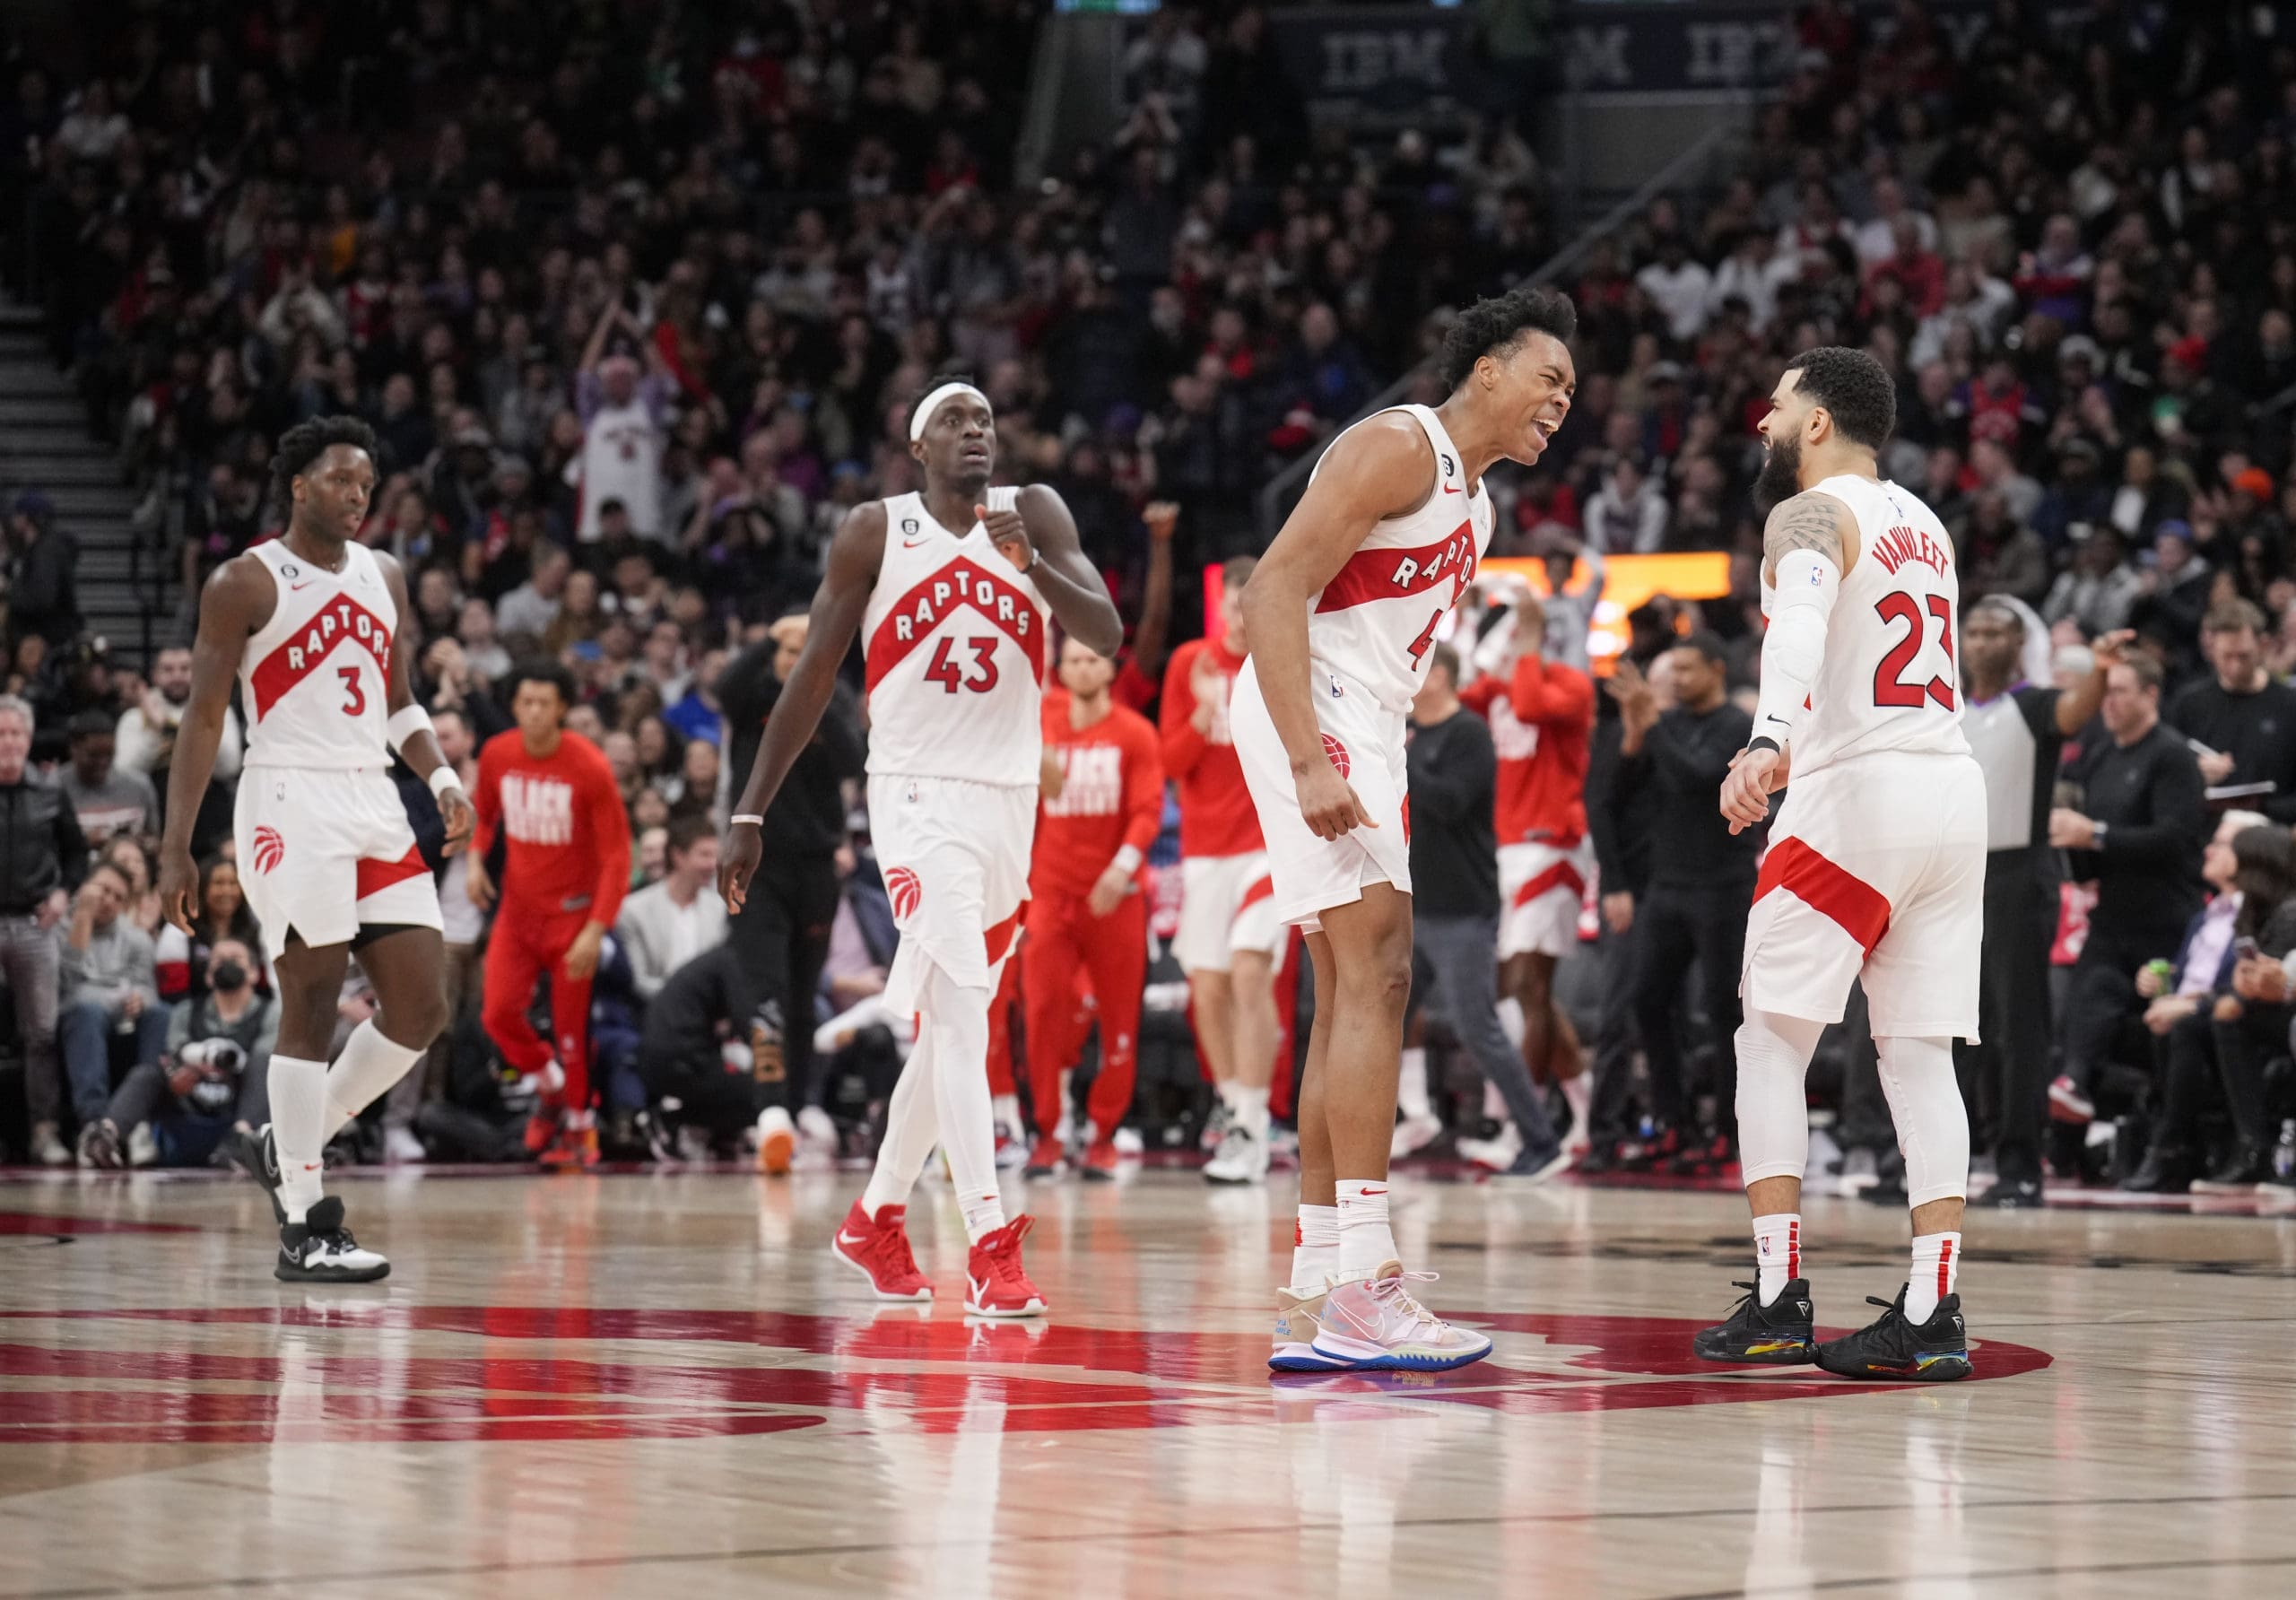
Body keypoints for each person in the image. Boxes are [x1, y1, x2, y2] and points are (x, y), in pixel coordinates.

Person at [719, 377, 1120, 1317]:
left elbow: (1103, 634)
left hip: (1009, 799)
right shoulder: (876, 528)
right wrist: (750, 812)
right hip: (912, 796)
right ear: (918, 446)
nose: (974, 431)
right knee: (964, 1009)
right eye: (953, 420)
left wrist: (1036, 565)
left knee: (950, 1022)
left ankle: (872, 1215)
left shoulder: (1034, 512)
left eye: (984, 418)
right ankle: (988, 1241)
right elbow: (814, 671)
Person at [1232, 285, 1578, 1374]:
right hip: (1316, 705)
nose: (1561, 401)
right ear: (1485, 368)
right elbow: (1274, 586)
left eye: (1569, 390)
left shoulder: (1476, 509)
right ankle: (1367, 1286)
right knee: (1379, 974)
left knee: (1350, 988)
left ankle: (1317, 1278)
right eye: (1547, 378)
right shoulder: (1397, 446)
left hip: (1363, 721)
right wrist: (1304, 754)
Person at [1699, 347, 1986, 1382]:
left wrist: (1766, 739)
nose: (1761, 425)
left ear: (1815, 423)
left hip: (1856, 797)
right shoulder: (1927, 522)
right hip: (1952, 796)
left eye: (1774, 407)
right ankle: (1931, 1307)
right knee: (1917, 1055)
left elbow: (1803, 625)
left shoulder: (1809, 514)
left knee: (1769, 1037)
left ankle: (1779, 1297)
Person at [160, 414, 474, 1283]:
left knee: (421, 1004)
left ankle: (285, 1142)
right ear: (298, 486)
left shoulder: (387, 575)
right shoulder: (244, 582)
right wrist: (175, 846)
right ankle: (304, 1220)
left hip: (372, 791)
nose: (358, 496)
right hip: (288, 794)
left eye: (367, 485)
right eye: (342, 481)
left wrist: (442, 777)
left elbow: (398, 699)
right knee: (310, 998)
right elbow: (203, 715)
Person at [1954, 602, 2118, 1206]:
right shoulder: (1947, 712)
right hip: (1956, 875)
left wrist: (2098, 672)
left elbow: (2076, 713)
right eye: (1975, 630)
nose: (1984, 641)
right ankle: (1951, 1157)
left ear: (2021, 642)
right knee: (1957, 1026)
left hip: (2021, 874)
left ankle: (2021, 1162)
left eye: (1996, 631)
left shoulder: (2037, 704)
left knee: (2017, 1027)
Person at [1405, 643, 1568, 1179]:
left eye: (1419, 666)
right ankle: (1407, 1119)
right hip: (1412, 904)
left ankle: (1541, 1139)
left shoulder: (1468, 735)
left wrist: (1396, 758)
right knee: (1385, 1021)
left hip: (1462, 909)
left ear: (1443, 677)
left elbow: (1450, 802)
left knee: (1480, 1029)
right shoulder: (1408, 736)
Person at [715, 612, 865, 1171]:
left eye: (807, 652)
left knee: (805, 993)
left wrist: (817, 682)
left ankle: (799, 1107)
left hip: (816, 868)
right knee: (767, 989)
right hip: (759, 866)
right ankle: (770, 1111)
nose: (794, 662)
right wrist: (768, 639)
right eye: (788, 653)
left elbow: (855, 759)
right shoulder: (752, 694)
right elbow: (723, 688)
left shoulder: (835, 698)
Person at [467, 658, 631, 1168]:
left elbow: (617, 857)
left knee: (570, 1030)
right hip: (518, 913)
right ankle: (550, 1085)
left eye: (544, 703)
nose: (534, 712)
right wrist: (475, 859)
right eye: (525, 702)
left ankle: (581, 1127)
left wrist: (596, 929)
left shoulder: (589, 766)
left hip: (573, 918)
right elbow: (485, 813)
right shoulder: (497, 754)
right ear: (514, 705)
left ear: (562, 708)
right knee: (496, 1013)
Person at [1612, 633, 1759, 1172]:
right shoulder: (1663, 724)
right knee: (1647, 1001)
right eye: (1673, 672)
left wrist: (1651, 724)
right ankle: (1673, 1122)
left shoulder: (1738, 727)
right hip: (1667, 886)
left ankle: (1727, 1131)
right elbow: (1623, 791)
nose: (1678, 680)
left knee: (1725, 1011)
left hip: (1722, 885)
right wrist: (1634, 733)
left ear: (1718, 669)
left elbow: (1700, 781)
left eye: (1689, 670)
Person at [1160, 557, 1286, 1184]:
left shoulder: (1283, 660)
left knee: (1248, 969)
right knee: (1207, 989)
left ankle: (1256, 1121)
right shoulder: (1191, 663)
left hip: (1270, 843)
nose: (1242, 617)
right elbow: (1170, 760)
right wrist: (1202, 711)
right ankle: (1236, 1110)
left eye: (1252, 604)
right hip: (1205, 850)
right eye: (1234, 605)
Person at [2044, 654, 2208, 1125]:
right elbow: (2092, 859)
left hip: (2167, 921)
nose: (2108, 702)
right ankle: (2072, 1099)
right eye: (2106, 692)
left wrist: (2092, 833)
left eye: (2119, 691)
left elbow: (2175, 839)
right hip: (2112, 916)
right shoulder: (2101, 756)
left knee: (2159, 1032)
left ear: (2151, 695)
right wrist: (2072, 846)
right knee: (2082, 1011)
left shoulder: (2173, 756)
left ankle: (2163, 1127)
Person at [1022, 636, 1163, 1180]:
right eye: (1073, 660)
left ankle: (1103, 1133)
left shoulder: (1134, 733)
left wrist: (1121, 868)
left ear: (1109, 667)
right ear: (1060, 669)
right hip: (1052, 892)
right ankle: (1048, 1132)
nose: (1082, 669)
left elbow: (1148, 812)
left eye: (1091, 659)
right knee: (1040, 1010)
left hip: (1114, 897)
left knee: (1118, 1016)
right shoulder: (1041, 725)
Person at [1467, 591, 1596, 1158]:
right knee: (1517, 991)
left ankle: (1526, 1128)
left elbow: (1529, 706)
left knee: (1526, 988)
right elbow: (1442, 700)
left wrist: (1529, 644)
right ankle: (1583, 1113)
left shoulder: (1570, 685)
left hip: (1554, 846)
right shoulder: (1491, 690)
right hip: (1503, 850)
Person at [2119, 816, 2293, 1193]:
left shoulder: (2279, 911)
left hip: (2253, 1012)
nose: (2210, 850)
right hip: (2219, 1010)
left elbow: (2270, 978)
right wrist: (2160, 984)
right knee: (2138, 1021)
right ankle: (2186, 1147)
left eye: (2225, 845)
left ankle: (2174, 1149)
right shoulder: (2208, 916)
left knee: (2211, 1021)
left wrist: (2208, 1002)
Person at [80, 937, 277, 1170]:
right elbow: (174, 1053)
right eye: (219, 960)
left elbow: (264, 1056)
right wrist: (178, 1073)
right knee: (148, 1073)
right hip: (190, 1108)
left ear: (255, 973)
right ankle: (106, 1135)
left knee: (267, 1064)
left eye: (235, 959)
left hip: (238, 1111)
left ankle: (242, 1140)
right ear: (208, 975)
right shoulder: (186, 1011)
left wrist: (227, 1066)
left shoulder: (271, 1012)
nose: (227, 965)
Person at [0, 693, 89, 1166]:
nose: (8, 742)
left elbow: (77, 853)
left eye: (15, 733)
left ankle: (44, 1130)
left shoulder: (51, 790)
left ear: (29, 739)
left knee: (41, 1033)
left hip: (35, 922)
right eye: (1, 733)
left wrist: (62, 895)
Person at [61, 860, 170, 1162]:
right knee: (87, 1011)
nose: (108, 900)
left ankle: (134, 1121)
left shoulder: (136, 938)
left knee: (160, 1015)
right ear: (85, 886)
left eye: (119, 897)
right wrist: (83, 916)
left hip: (122, 1021)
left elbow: (147, 988)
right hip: (77, 1020)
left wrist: (140, 1000)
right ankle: (92, 1123)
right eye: (103, 889)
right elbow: (69, 985)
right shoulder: (60, 925)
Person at [2168, 600, 2296, 825]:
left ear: (2263, 645)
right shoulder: (2189, 704)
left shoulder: (2289, 705)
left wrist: (2262, 810)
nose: (2235, 667)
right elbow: (2166, 777)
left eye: (2243, 656)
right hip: (2206, 833)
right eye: (2226, 656)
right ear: (2211, 649)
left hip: (2272, 836)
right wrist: (2193, 775)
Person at [617, 814, 727, 1000]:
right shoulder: (634, 910)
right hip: (654, 1015)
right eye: (705, 855)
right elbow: (638, 980)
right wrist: (689, 998)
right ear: (678, 856)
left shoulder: (720, 909)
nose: (713, 864)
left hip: (711, 1016)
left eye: (716, 856)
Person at [59, 709, 159, 844]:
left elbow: (155, 839)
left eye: (109, 754)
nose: (103, 762)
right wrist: (85, 842)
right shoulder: (55, 788)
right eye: (94, 755)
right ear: (74, 748)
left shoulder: (139, 786)